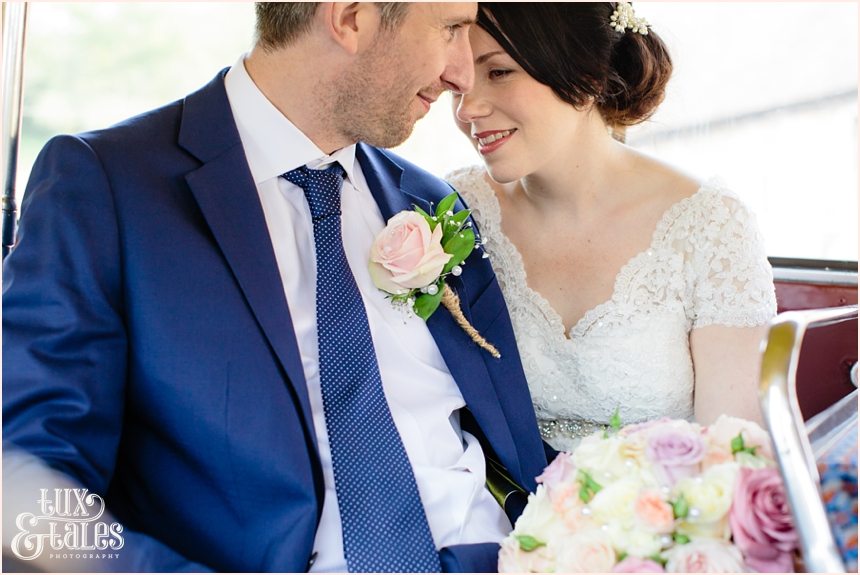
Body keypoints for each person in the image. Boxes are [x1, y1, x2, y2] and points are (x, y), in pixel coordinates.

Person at [2, 3, 550, 572]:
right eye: (451, 28)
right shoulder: (109, 184)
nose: (462, 73)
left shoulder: (430, 201)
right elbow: (25, 485)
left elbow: (505, 438)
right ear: (351, 18)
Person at [447, 2, 777, 453]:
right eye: (457, 82)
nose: (469, 109)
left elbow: (731, 452)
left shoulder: (711, 225)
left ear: (587, 77)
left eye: (499, 72)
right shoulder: (456, 213)